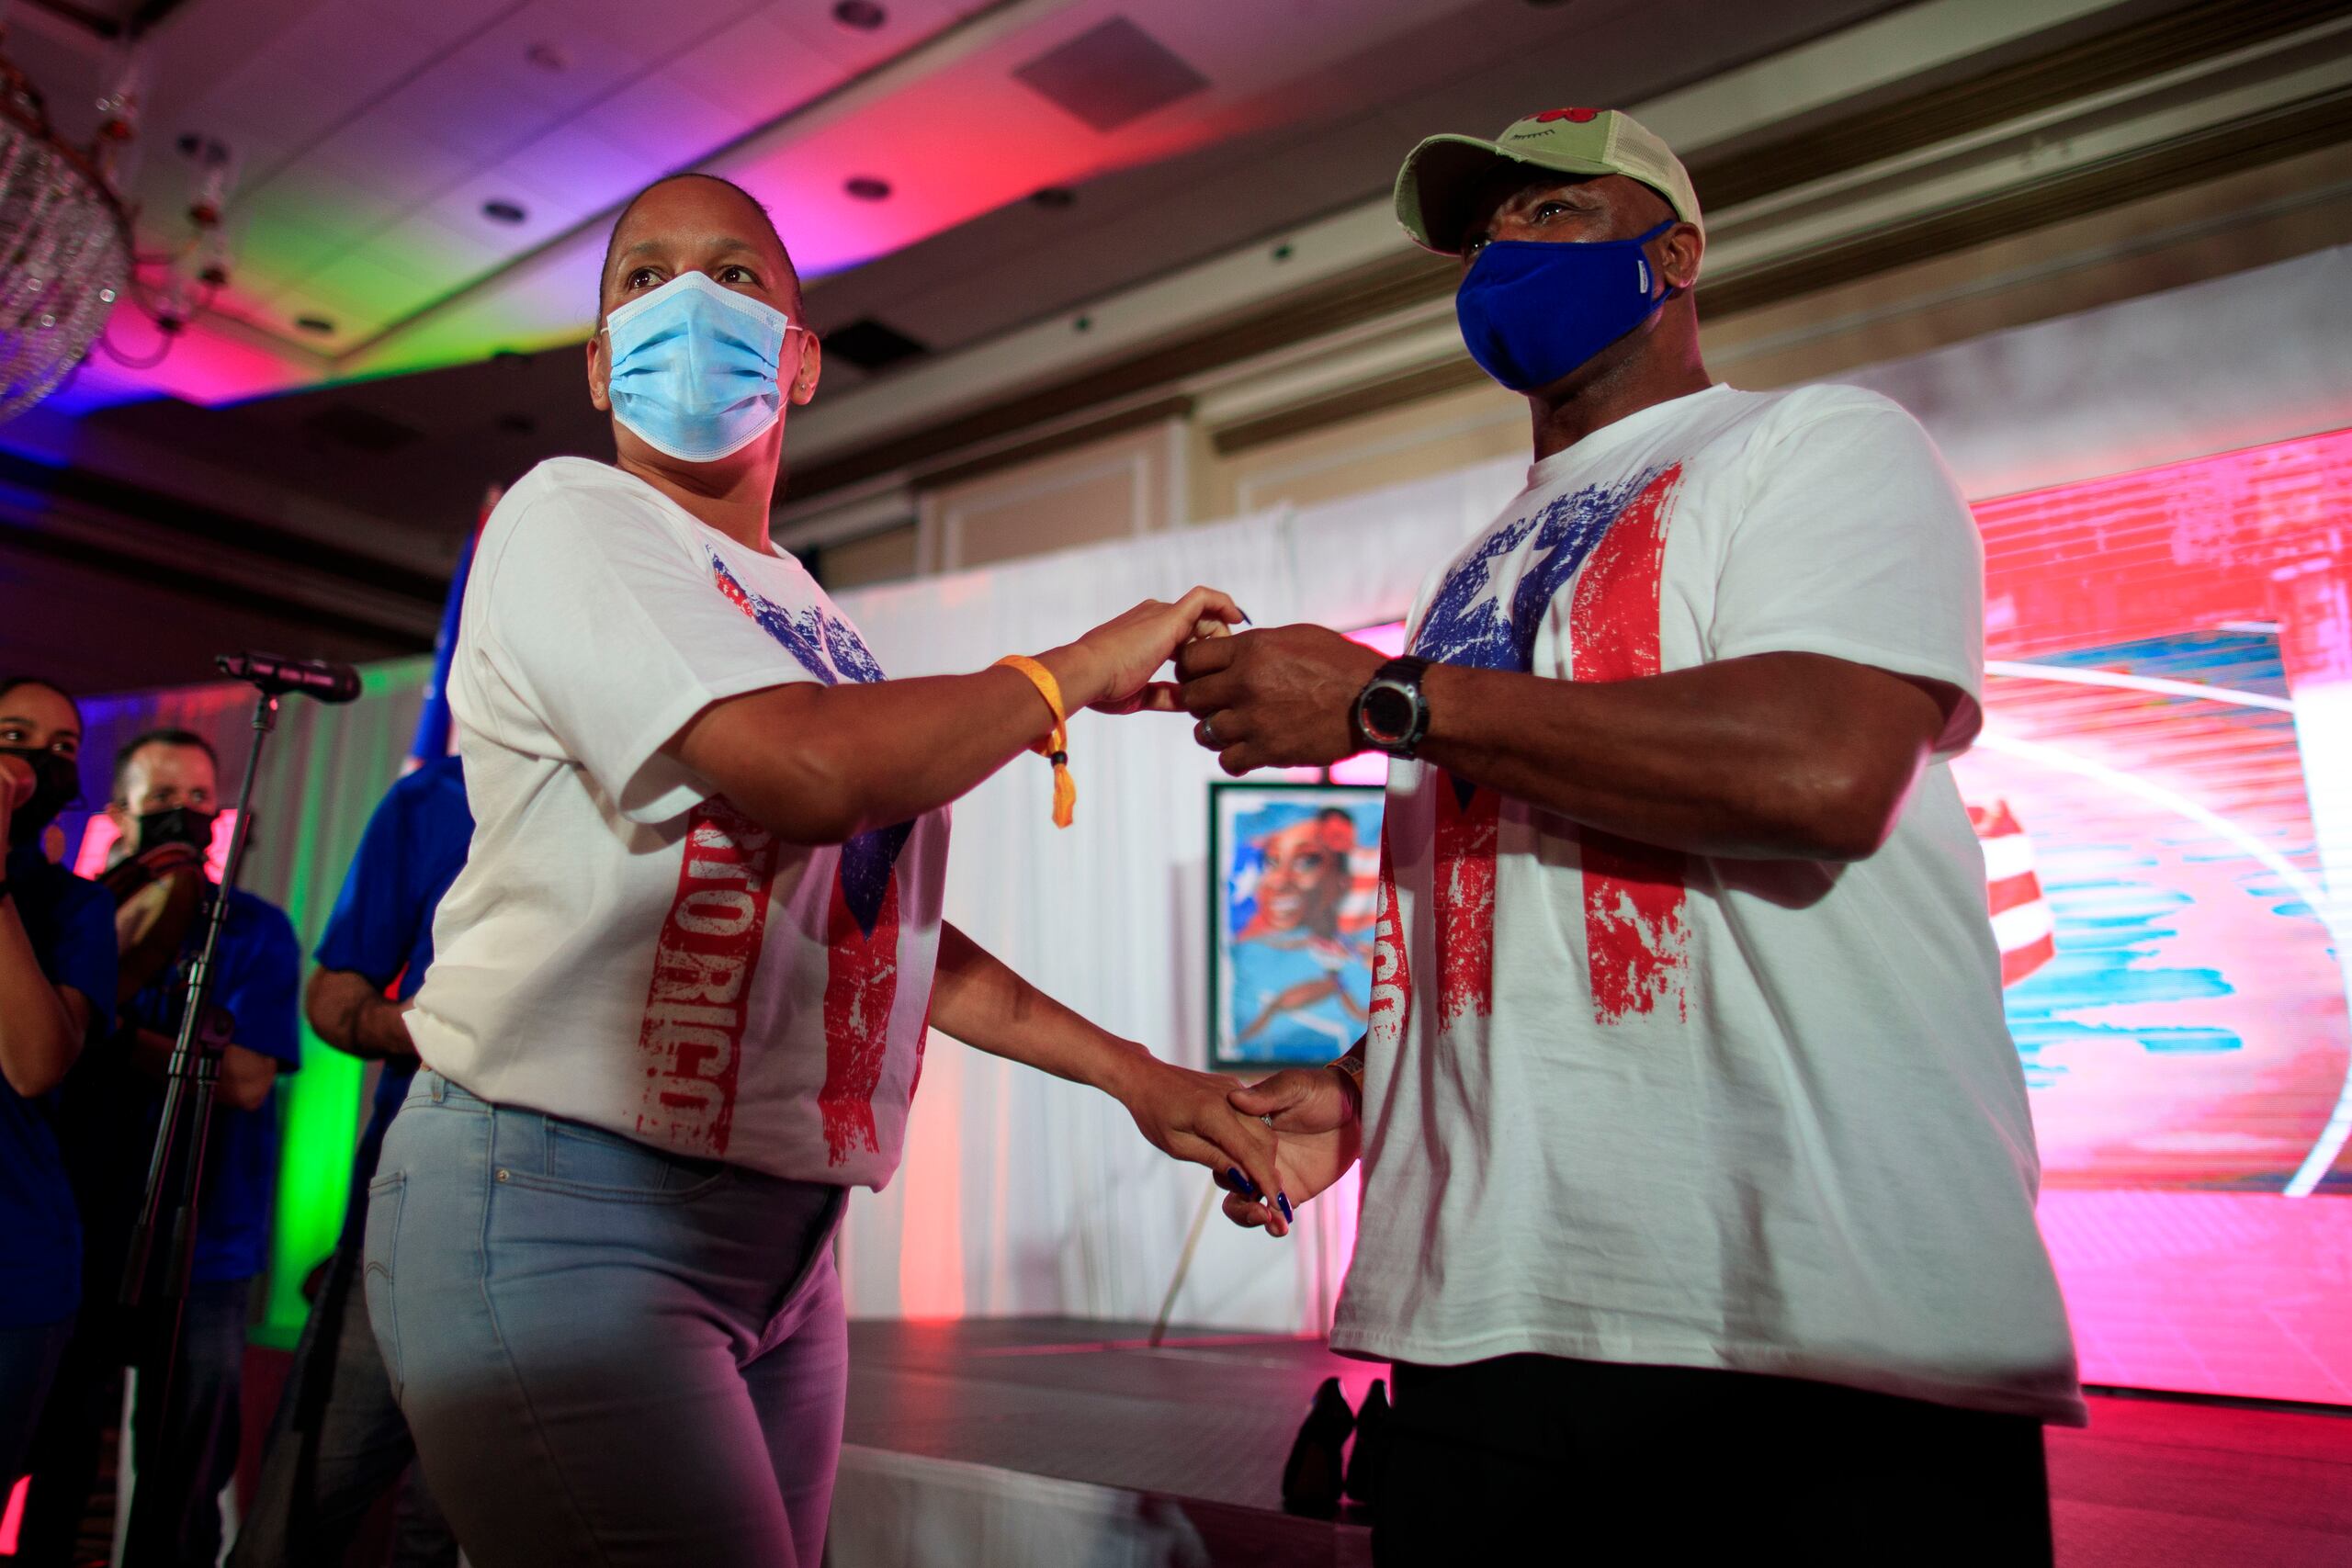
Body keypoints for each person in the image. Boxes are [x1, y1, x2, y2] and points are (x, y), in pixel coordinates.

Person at [1185, 108, 2080, 1563]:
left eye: (1548, 216)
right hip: (1479, 1325)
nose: (1500, 255)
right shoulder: (1477, 565)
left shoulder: (1812, 442)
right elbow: (1508, 889)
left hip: (1795, 1327)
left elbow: (1820, 767)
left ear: (1670, 255)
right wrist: (1367, 1083)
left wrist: (1382, 699)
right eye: (1481, 238)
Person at [367, 171, 1285, 1568]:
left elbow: (872, 924)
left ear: (799, 360)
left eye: (737, 276)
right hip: (567, 1197)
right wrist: (1068, 667)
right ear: (601, 362)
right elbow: (808, 770)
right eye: (642, 278)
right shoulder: (571, 516)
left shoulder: (797, 607)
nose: (688, 300)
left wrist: (1139, 1075)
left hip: (782, 1236)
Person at [19, 728, 302, 1568]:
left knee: (182, 1480)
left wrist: (109, 1036)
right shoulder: (82, 914)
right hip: (87, 1231)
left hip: (205, 1247)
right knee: (59, 1459)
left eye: (197, 800)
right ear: (119, 814)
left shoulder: (251, 927)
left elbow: (248, 1077)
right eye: (160, 800)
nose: (182, 815)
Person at [229, 753, 469, 1568]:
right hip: (402, 1225)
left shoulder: (676, 792)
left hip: (576, 1244)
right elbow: (332, 996)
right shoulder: (439, 796)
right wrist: (431, 1030)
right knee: (290, 1521)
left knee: (448, 1531)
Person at [0, 678, 117, 1484]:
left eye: (64, 746)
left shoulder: (76, 909)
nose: (38, 758)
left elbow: (36, 1063)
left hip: (17, 1259)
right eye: (14, 733)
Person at [1228, 807, 1370, 1053]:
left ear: (1342, 879)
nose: (1279, 880)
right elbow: (1293, 944)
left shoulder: (1353, 946)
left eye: (1306, 861)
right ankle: (1237, 1043)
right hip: (1331, 983)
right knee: (1275, 1007)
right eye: (1271, 862)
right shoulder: (1258, 947)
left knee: (1361, 1016)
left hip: (1335, 985)